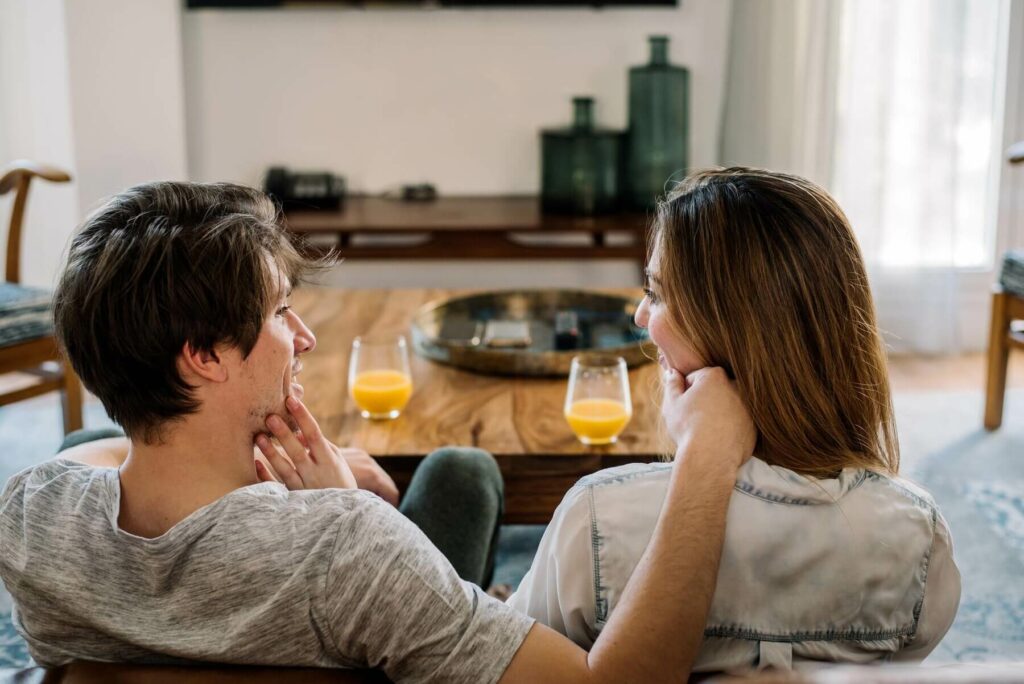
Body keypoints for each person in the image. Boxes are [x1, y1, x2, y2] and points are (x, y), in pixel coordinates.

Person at [0, 181, 756, 683]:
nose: (304, 337)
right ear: (201, 356)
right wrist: (705, 460)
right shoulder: (348, 550)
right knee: (462, 473)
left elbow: (93, 461)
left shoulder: (30, 513)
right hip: (364, 604)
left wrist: (344, 492)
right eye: (276, 313)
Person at [508, 167, 962, 671]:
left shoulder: (596, 521)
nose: (640, 316)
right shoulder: (919, 535)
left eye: (656, 293)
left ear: (722, 327)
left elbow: (510, 660)